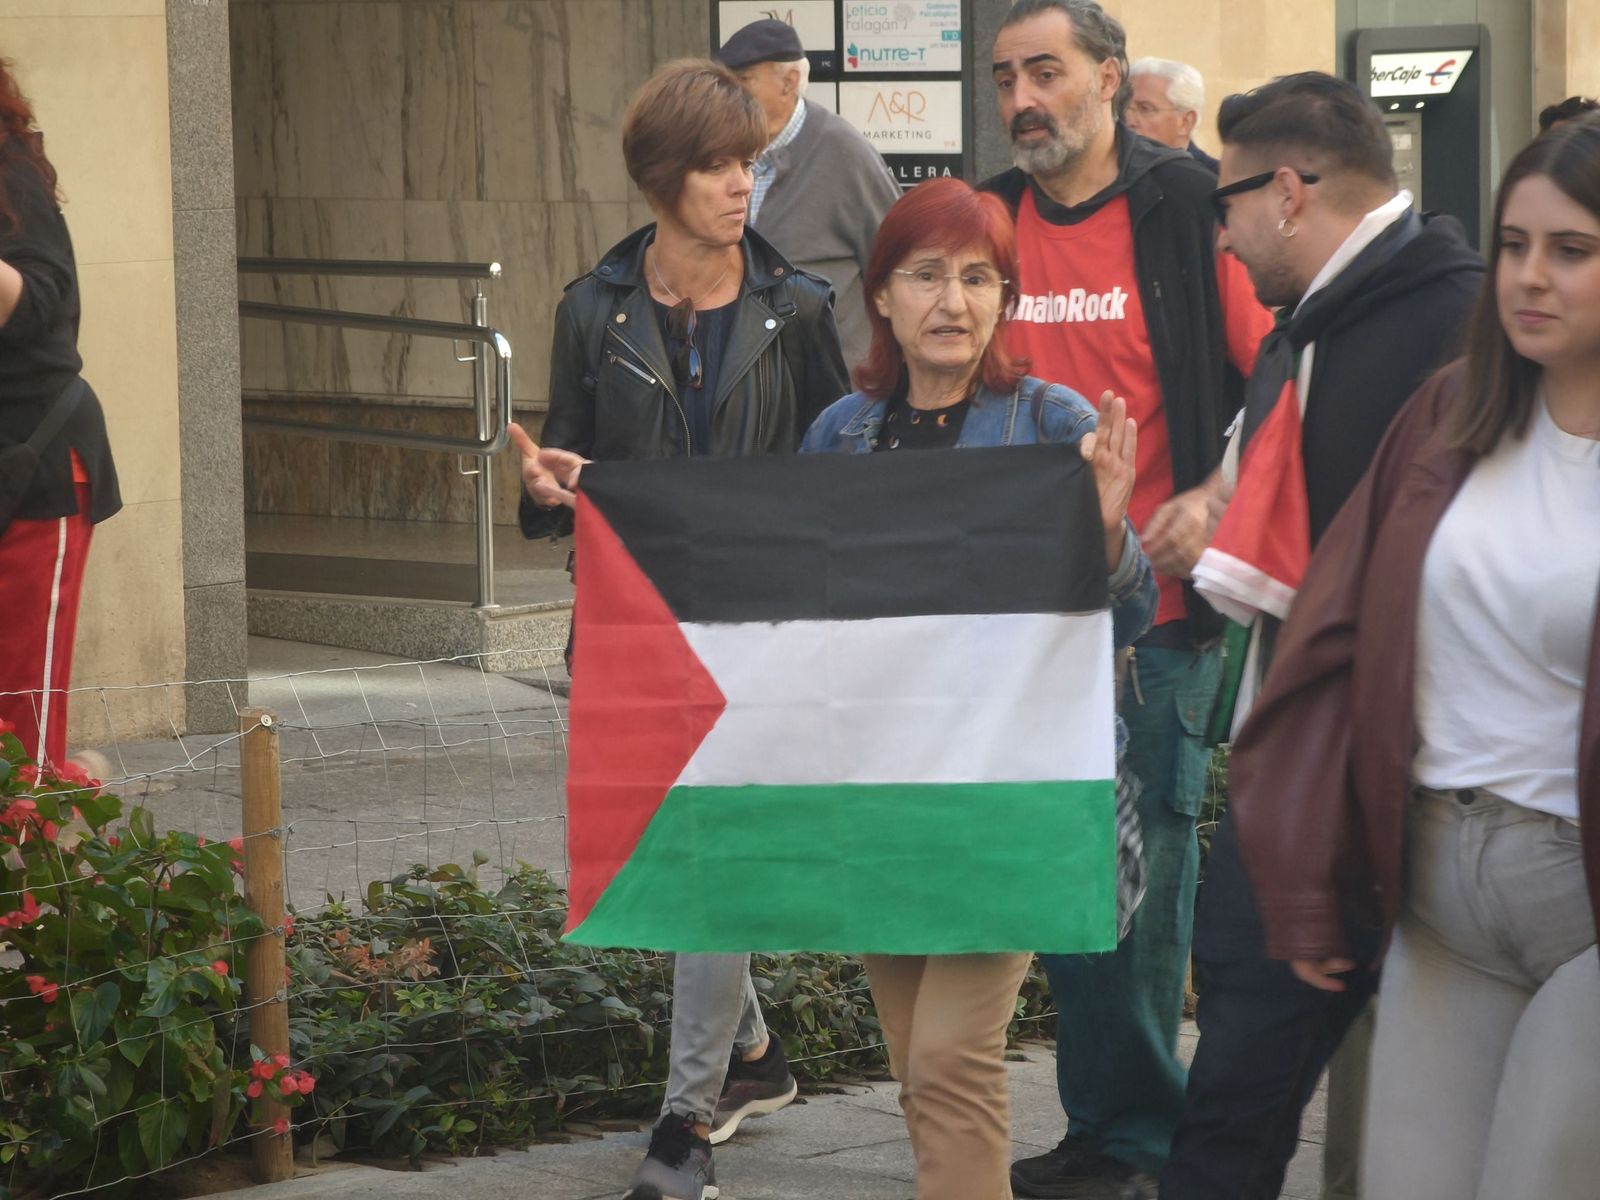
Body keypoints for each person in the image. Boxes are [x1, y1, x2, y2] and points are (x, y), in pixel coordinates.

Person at [1229, 112, 1600, 1200]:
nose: (1529, 277)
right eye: (1516, 244)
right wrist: (1307, 883)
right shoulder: (1446, 418)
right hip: (1435, 892)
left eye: (1571, 251)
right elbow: (1331, 646)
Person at [507, 59, 850, 1200]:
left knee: (708, 863)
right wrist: (553, 488)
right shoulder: (592, 310)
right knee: (666, 849)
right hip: (633, 624)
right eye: (714, 165)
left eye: (747, 162)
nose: (737, 185)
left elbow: (830, 469)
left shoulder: (798, 308)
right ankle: (752, 1058)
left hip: (756, 628)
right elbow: (560, 466)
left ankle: (683, 1124)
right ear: (662, 178)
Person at [799, 175, 1158, 1200]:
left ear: (1005, 296)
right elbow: (794, 612)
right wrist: (600, 497)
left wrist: (1102, 531)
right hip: (881, 795)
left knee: (950, 1059)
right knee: (917, 1067)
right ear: (880, 296)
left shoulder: (1052, 423)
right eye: (924, 276)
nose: (950, 301)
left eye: (975, 278)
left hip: (1010, 799)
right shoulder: (840, 436)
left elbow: (1128, 619)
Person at [1161, 72, 1484, 1200]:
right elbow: (1269, 479)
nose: (1221, 234)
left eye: (1227, 204)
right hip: (1295, 769)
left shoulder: (1462, 323)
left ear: (1288, 192)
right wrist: (1210, 506)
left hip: (1417, 791)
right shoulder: (1306, 323)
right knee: (1236, 1106)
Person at [982, 5, 1272, 1194]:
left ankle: (1144, 1137)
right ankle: (1101, 1126)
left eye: (1044, 73)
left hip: (1156, 617)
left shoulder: (1186, 210)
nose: (1021, 100)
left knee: (1144, 877)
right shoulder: (993, 217)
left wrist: (1212, 492)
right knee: (1066, 868)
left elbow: (1282, 376)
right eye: (1003, 79)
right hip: (1023, 617)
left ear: (1108, 80)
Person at [0, 58, 120, 770]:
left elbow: (46, 300)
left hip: (35, 468)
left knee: (22, 720)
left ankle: (37, 865)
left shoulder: (10, 173)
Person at [716, 18, 901, 368]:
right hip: (752, 385)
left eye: (744, 81)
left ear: (789, 82)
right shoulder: (726, 151)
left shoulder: (844, 152)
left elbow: (897, 261)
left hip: (835, 389)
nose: (731, 94)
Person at [1125, 58, 1217, 172]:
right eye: (1123, 107)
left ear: (1186, 122)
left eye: (1145, 109)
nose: (1128, 120)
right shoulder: (1108, 174)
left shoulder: (1217, 182)